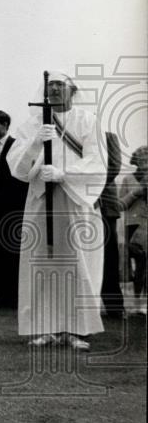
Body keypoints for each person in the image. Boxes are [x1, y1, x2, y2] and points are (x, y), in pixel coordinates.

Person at [6, 72, 106, 349]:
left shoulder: (88, 122)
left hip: (75, 201)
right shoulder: (32, 124)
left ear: (72, 90)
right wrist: (37, 142)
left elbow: (97, 163)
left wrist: (64, 173)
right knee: (41, 260)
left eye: (60, 85)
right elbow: (18, 169)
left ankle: (76, 330)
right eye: (50, 86)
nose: (53, 90)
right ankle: (42, 328)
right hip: (41, 200)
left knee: (76, 263)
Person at [0, 110, 29, 309]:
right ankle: (0, 295)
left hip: (13, 210)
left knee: (12, 253)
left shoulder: (18, 147)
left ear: (5, 124)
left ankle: (15, 296)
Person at [97, 131, 124, 318]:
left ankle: (114, 306)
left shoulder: (108, 137)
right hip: (77, 205)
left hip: (104, 204)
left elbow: (113, 167)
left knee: (108, 256)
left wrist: (86, 186)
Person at [119, 145, 147, 316]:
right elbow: (120, 205)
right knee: (140, 264)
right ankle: (138, 302)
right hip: (133, 226)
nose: (145, 162)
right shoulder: (128, 179)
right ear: (135, 160)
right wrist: (136, 193)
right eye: (141, 159)